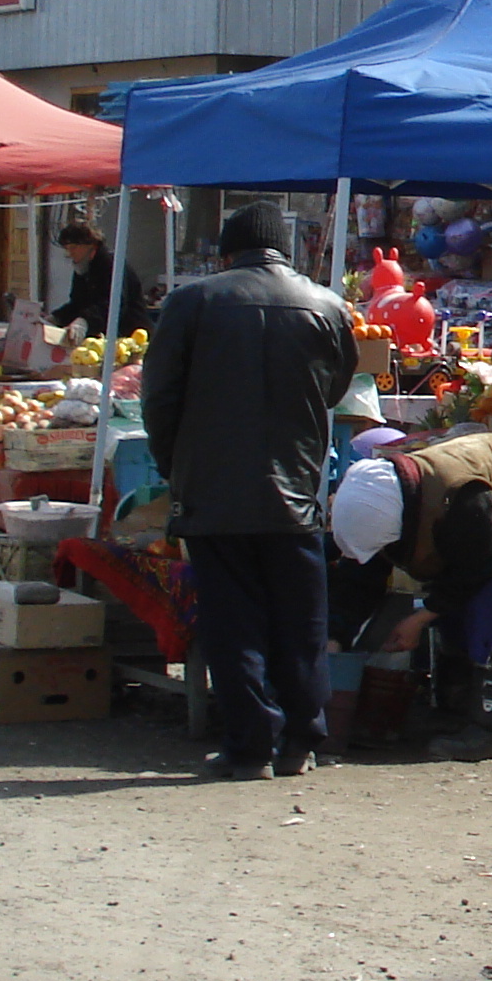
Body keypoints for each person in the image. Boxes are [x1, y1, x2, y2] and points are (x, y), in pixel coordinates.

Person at [139, 202, 355, 779]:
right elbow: (334, 388)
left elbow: (159, 400)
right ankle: (302, 741)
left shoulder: (193, 302)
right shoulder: (327, 305)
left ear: (226, 251)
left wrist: (175, 464)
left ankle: (250, 745)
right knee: (301, 619)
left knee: (233, 620)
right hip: (295, 489)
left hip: (213, 489)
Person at [329, 431, 492, 762]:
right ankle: (457, 710)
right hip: (483, 522)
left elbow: (477, 568)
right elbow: (362, 577)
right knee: (452, 607)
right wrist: (336, 637)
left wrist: (420, 618)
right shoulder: (387, 505)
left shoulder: (458, 500)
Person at [55, 217, 151, 341]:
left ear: (91, 245)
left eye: (73, 247)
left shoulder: (111, 264)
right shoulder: (83, 267)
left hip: (130, 336)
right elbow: (77, 303)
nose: (70, 253)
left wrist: (84, 322)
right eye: (67, 249)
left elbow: (113, 303)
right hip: (100, 339)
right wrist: (56, 318)